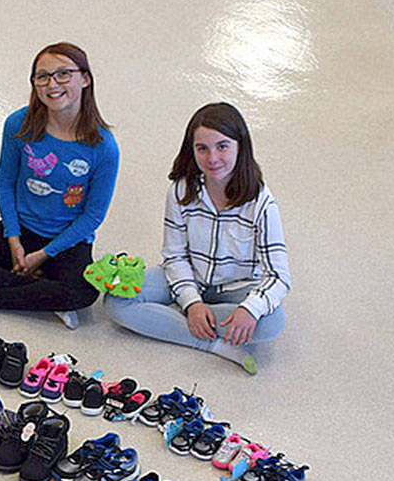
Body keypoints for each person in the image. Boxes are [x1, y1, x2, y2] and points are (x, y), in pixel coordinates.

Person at [0, 43, 118, 329]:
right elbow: (4, 182)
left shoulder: (103, 147)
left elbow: (92, 216)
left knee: (85, 292)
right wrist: (13, 239)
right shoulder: (19, 124)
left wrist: (43, 255)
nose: (52, 84)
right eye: (42, 77)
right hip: (22, 230)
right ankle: (38, 295)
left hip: (68, 240)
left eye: (63, 74)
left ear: (85, 79)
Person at [104, 102, 289, 374]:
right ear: (191, 151)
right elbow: (175, 256)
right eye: (202, 148)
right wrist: (192, 301)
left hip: (237, 287)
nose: (212, 158)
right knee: (117, 300)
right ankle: (213, 344)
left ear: (241, 146)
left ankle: (184, 321)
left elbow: (279, 276)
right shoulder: (180, 191)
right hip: (189, 277)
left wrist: (250, 309)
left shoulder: (261, 202)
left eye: (222, 146)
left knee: (272, 322)